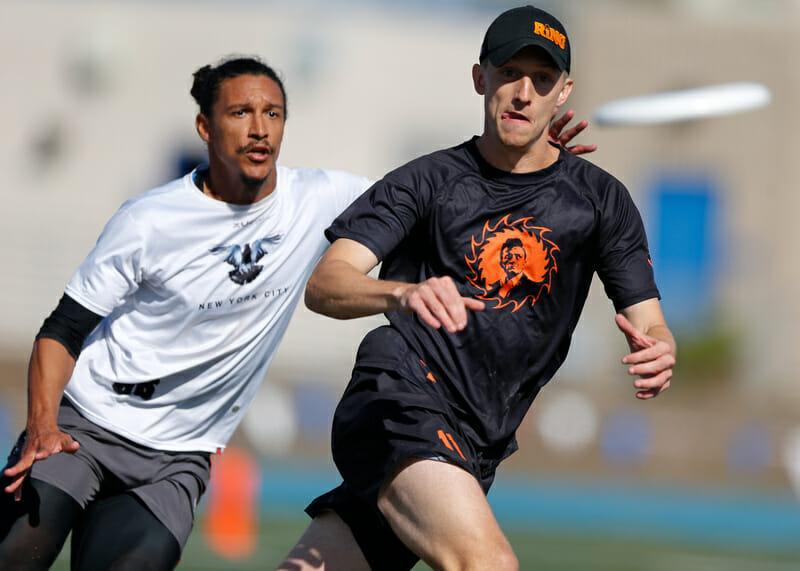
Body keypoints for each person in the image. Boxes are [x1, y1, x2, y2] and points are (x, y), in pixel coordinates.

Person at [0, 54, 593, 569]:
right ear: (205, 127)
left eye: (273, 114)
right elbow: (62, 331)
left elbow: (442, 198)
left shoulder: (321, 199)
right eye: (240, 114)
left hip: (175, 459)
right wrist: (44, 424)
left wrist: (531, 164)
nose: (260, 130)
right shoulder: (148, 220)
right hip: (86, 424)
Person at [278, 5, 675, 571]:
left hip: (477, 438)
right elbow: (327, 282)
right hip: (398, 400)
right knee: (486, 564)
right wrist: (402, 293)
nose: (523, 93)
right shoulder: (428, 181)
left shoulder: (599, 200)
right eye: (510, 72)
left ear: (563, 92)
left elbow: (649, 319)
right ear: (479, 78)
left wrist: (661, 349)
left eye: (541, 80)